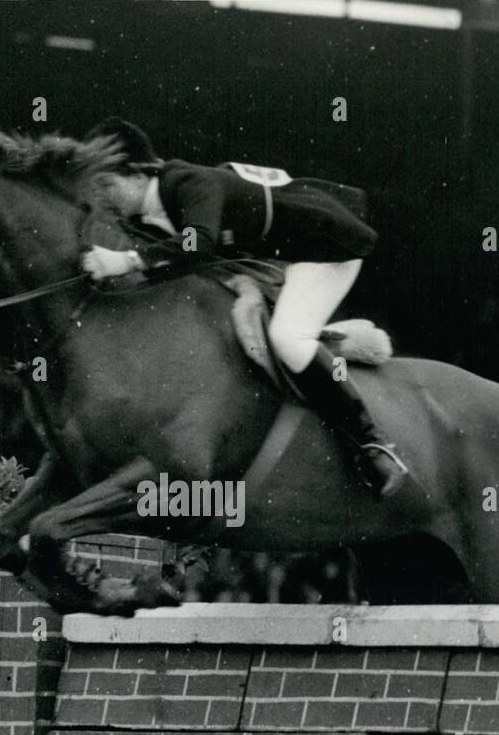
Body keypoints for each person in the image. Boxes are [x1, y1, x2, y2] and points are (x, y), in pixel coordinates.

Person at [79, 117, 408, 497]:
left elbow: (196, 245)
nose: (106, 197)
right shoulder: (145, 215)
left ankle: (373, 443)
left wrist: (126, 261)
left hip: (322, 249)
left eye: (108, 184)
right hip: (272, 260)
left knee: (287, 337)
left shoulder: (186, 182)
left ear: (137, 173)